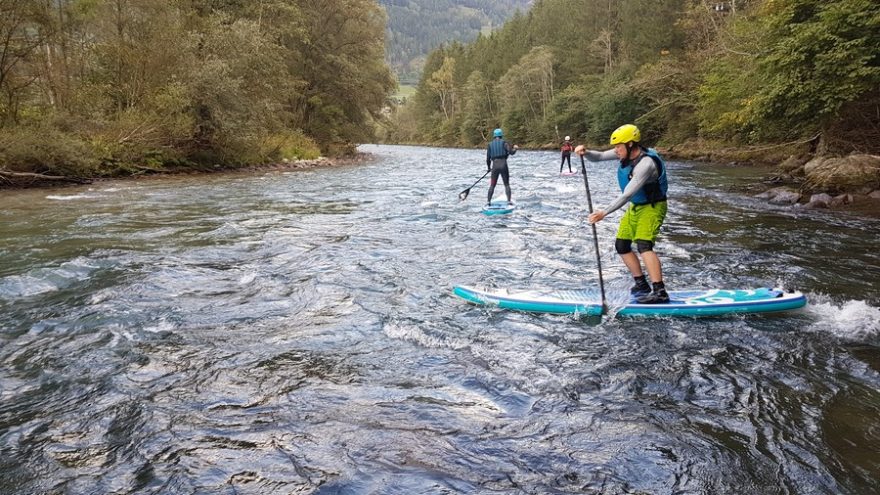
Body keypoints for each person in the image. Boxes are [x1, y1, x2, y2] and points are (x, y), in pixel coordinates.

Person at [575, 124, 670, 304]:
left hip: (652, 207)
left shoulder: (646, 164)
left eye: (619, 146)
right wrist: (586, 152)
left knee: (644, 245)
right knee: (622, 245)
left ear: (631, 144)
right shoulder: (624, 152)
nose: (616, 150)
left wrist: (604, 212)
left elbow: (627, 194)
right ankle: (641, 284)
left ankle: (660, 291)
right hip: (636, 207)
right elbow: (600, 156)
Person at [486, 128, 518, 205]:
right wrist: (515, 149)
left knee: (492, 185)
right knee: (506, 184)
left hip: (495, 167)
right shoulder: (505, 143)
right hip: (503, 165)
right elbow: (511, 152)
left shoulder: (490, 145)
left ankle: (488, 202)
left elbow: (487, 159)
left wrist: (488, 168)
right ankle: (509, 201)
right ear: (501, 135)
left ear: (494, 136)